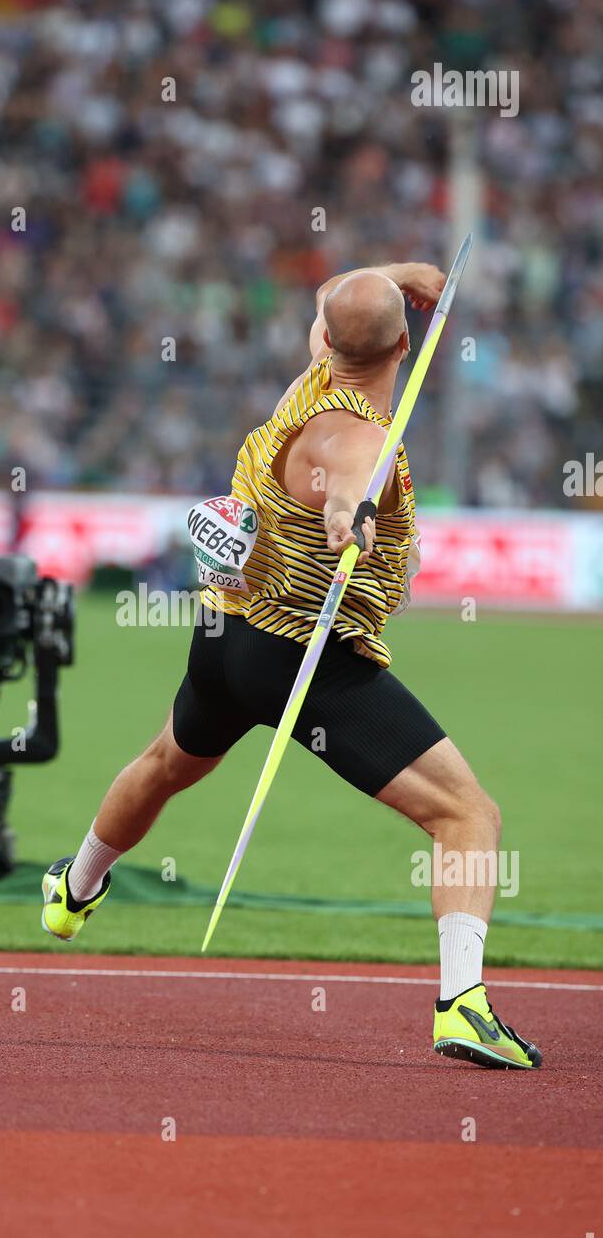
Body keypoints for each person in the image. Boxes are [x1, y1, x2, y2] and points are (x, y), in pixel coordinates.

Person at [41, 261, 540, 1071]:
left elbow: (331, 305)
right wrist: (347, 515)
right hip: (304, 658)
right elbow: (341, 475)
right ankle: (463, 1006)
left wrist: (389, 272)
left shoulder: (314, 367)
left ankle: (75, 889)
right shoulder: (358, 435)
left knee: (165, 762)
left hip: (225, 638)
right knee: (466, 815)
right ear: (405, 344)